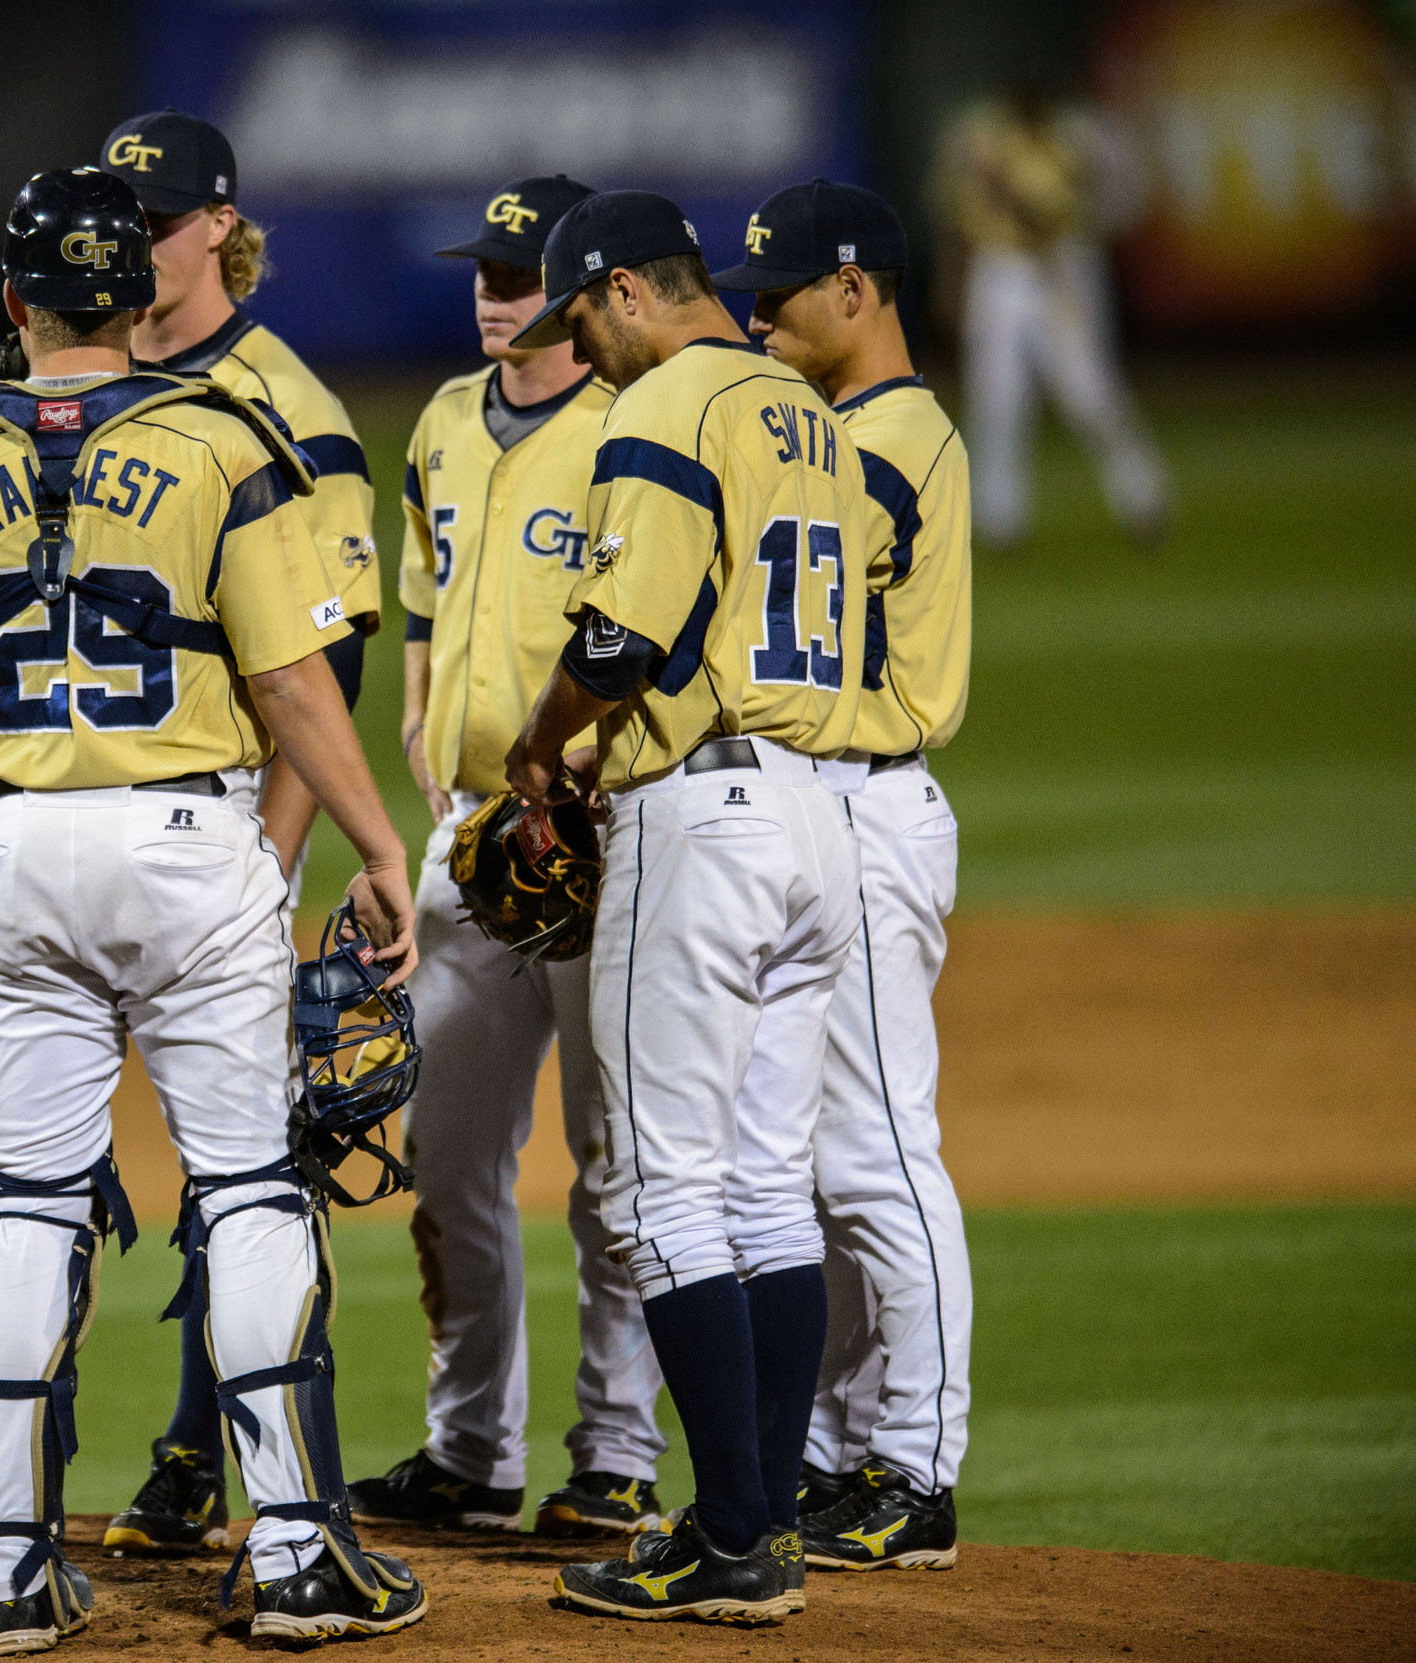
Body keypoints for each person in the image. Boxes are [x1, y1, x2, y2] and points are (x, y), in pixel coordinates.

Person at [0, 166, 429, 1652]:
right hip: (187, 845)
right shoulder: (222, 443)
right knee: (244, 1186)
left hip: (14, 852)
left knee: (30, 1202)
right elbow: (296, 680)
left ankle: (7, 1569)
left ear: (14, 300)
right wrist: (372, 841)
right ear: (137, 295)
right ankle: (299, 1550)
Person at [501, 189, 886, 1624]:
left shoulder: (663, 406)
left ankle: (728, 1535)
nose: (578, 353)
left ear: (620, 294)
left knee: (661, 1191)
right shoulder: (812, 414)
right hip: (821, 815)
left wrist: (546, 745)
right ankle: (761, 1516)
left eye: (577, 323)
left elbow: (620, 633)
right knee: (768, 1182)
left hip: (707, 822)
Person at [337, 173, 670, 1542]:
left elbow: (661, 623)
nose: (491, 290)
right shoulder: (437, 424)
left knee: (617, 1161)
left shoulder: (629, 429)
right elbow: (425, 588)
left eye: (519, 271)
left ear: (581, 290)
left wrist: (580, 766)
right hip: (467, 836)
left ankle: (616, 1455)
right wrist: (417, 706)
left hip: (598, 835)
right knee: (447, 1151)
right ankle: (469, 1449)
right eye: (483, 268)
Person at [91, 105, 387, 1559]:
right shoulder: (72, 374)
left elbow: (323, 664)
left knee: (242, 1165)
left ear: (219, 224)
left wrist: (277, 861)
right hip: (78, 825)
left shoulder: (289, 404)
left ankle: (210, 1447)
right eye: (119, 218)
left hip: (223, 826)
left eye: (156, 219)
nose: (135, 242)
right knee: (52, 1164)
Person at [719, 178, 972, 1573]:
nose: (759, 316)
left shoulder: (897, 433)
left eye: (782, 294)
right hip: (816, 810)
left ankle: (921, 1459)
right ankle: (834, 1449)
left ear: (860, 292)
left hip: (867, 809)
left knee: (879, 1151)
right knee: (806, 1166)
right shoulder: (835, 429)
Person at [933, 80, 1167, 548]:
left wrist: (1004, 186)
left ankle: (1144, 498)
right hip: (999, 271)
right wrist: (954, 281)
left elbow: (1063, 217)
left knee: (1088, 391)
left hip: (1056, 270)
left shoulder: (1072, 144)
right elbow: (958, 216)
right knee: (996, 398)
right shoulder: (982, 138)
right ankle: (999, 521)